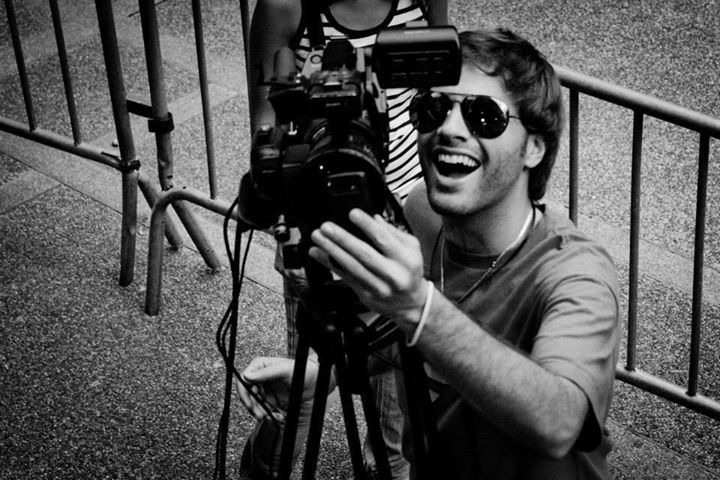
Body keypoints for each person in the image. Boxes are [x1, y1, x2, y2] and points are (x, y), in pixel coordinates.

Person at [240, 27, 621, 479]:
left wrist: (419, 306)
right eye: (433, 109)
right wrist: (327, 374)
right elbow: (400, 334)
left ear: (534, 147)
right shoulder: (421, 211)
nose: (449, 129)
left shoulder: (576, 272)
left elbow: (559, 424)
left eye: (484, 115)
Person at [243, 0, 449, 479]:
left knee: (393, 421)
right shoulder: (285, 5)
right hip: (319, 233)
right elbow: (265, 132)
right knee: (301, 400)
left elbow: (438, 89)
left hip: (400, 232)